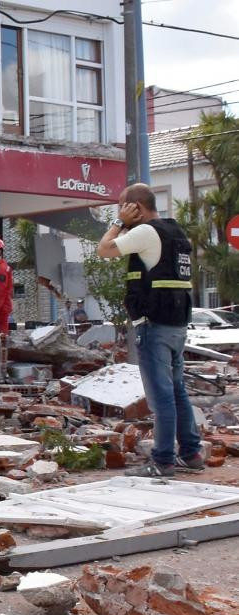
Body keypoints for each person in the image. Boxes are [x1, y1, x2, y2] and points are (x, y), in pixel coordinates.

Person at [95, 182, 202, 477]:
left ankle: (163, 460)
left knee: (162, 396)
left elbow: (104, 249)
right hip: (177, 324)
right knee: (178, 392)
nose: (119, 212)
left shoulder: (145, 232)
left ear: (136, 208)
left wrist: (119, 224)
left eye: (122, 206)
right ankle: (191, 453)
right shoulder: (175, 232)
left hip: (154, 326)